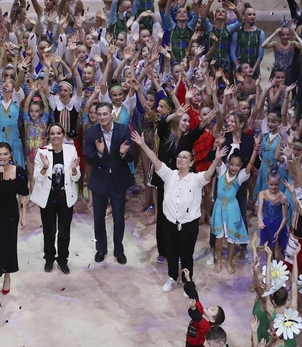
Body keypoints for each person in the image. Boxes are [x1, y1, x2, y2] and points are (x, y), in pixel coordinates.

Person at [132, 130, 225, 291]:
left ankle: (188, 281)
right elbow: (155, 159)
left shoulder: (196, 179)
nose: (180, 159)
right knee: (172, 253)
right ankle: (172, 277)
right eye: (179, 157)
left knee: (187, 254)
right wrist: (142, 145)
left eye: (184, 157)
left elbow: (209, 173)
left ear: (191, 162)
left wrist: (217, 160)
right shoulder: (169, 174)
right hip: (170, 222)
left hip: (189, 224)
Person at [84, 102, 134, 265]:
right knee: (99, 217)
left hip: (118, 180)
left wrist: (122, 154)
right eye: (99, 114)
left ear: (111, 114)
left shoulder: (123, 130)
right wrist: (99, 153)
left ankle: (118, 250)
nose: (102, 117)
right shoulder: (91, 133)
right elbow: (89, 158)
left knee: (118, 218)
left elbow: (131, 155)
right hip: (99, 180)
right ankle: (101, 248)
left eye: (105, 114)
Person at [31, 123, 81, 275]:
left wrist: (73, 169)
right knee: (49, 230)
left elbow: (76, 177)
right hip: (48, 197)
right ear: (49, 136)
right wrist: (45, 167)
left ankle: (63, 259)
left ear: (63, 134)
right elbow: (37, 178)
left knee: (64, 231)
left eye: (59, 133)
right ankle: (49, 258)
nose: (56, 136)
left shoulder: (71, 150)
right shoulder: (42, 151)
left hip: (66, 197)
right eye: (53, 133)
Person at [0, 142, 29, 294]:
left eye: (5, 154)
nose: (2, 157)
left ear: (10, 155)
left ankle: (7, 275)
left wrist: (24, 216)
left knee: (9, 244)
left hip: (10, 213)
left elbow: (23, 195)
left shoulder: (19, 171)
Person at [182, 269, 226, 345]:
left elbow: (197, 318)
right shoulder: (201, 311)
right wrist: (188, 279)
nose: (210, 307)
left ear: (212, 319)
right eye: (213, 306)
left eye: (212, 310)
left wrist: (193, 308)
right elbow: (194, 296)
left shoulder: (206, 326)